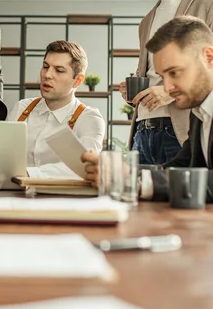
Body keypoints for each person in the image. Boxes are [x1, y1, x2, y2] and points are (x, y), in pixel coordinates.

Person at [83, 16, 213, 201]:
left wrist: (135, 181)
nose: (167, 87)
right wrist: (127, 176)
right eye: (162, 76)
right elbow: (183, 165)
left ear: (208, 57)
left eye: (174, 73)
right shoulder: (199, 113)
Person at [120, 0, 213, 166]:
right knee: (140, 198)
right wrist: (135, 91)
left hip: (180, 132)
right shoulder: (147, 21)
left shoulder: (208, 5)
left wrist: (167, 92)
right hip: (142, 132)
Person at [7, 40, 105, 178]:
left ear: (77, 80)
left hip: (64, 199)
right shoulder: (21, 108)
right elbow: (3, 156)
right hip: (14, 196)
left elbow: (85, 168)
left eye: (59, 70)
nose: (47, 75)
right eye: (45, 67)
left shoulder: (89, 119)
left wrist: (28, 174)